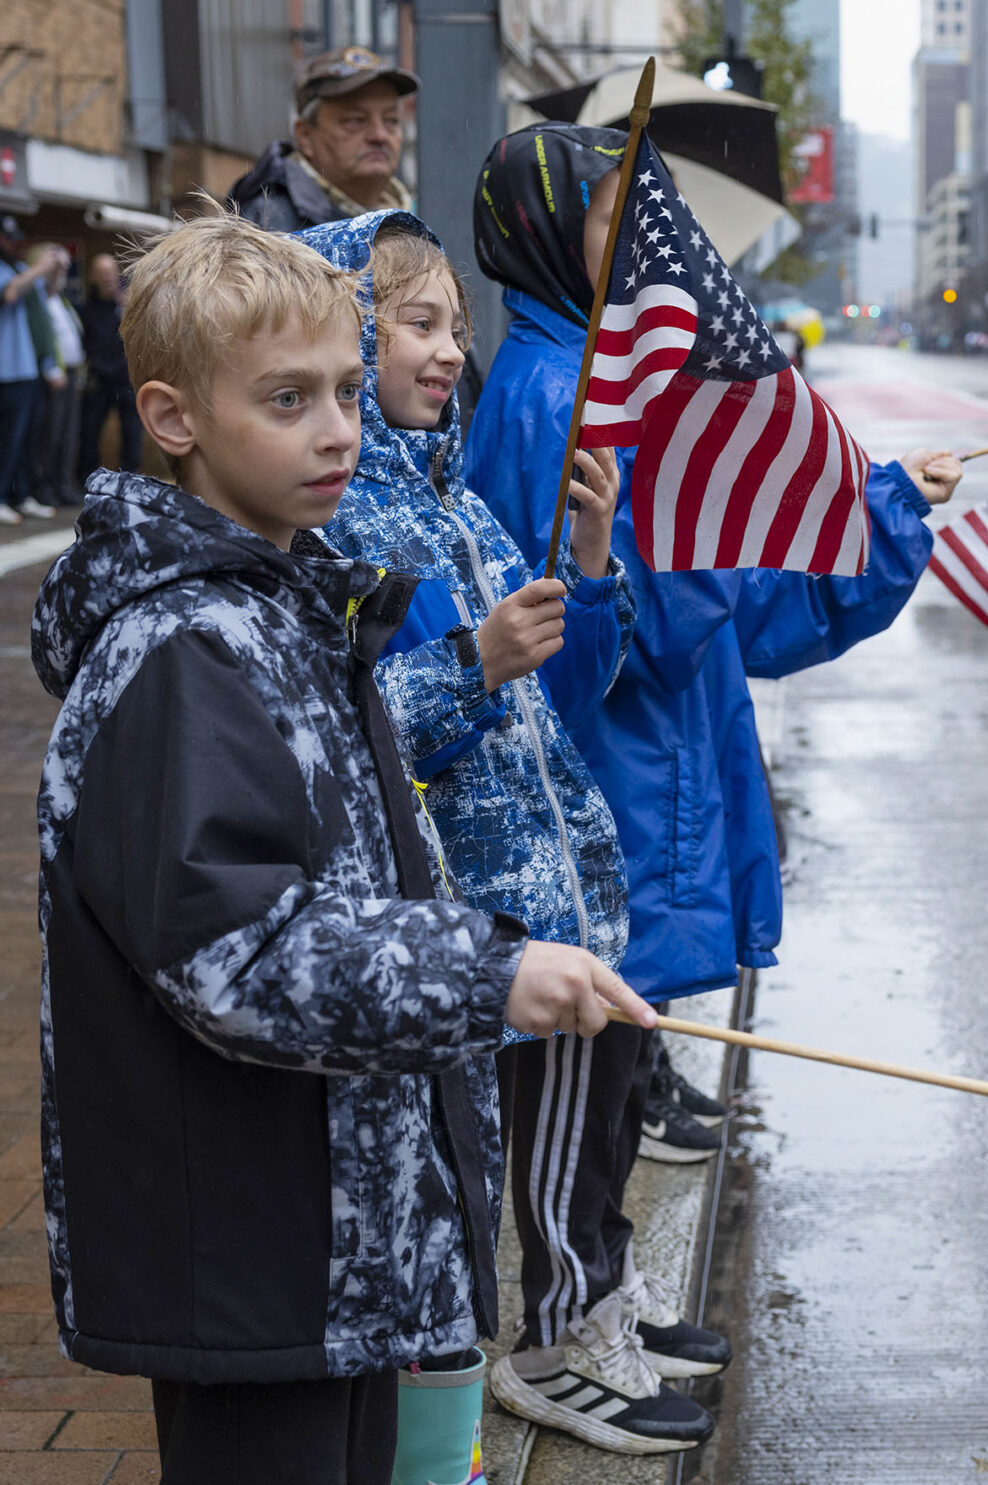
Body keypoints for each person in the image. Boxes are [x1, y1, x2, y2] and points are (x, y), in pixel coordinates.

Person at [31, 208, 652, 1485]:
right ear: (173, 416)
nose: (333, 430)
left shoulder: (284, 610)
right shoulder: (185, 650)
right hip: (254, 1252)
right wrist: (485, 974)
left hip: (330, 1241)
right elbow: (233, 950)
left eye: (340, 393)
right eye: (285, 399)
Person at [464, 121, 961, 1454]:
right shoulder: (543, 397)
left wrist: (880, 522)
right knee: (578, 1067)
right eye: (614, 220)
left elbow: (736, 609)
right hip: (596, 799)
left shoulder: (611, 385)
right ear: (539, 229)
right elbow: (598, 639)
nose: (651, 249)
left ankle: (607, 1288)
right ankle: (562, 1331)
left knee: (618, 1071)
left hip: (654, 777)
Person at [300, 209, 725, 1455]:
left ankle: (600, 1299)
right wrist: (470, 664)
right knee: (536, 1135)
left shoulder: (462, 508)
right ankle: (554, 1339)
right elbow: (350, 732)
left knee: (593, 1122)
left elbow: (566, 686)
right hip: (492, 909)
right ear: (345, 335)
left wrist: (590, 571)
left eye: (453, 326)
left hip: (569, 889)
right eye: (416, 325)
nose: (448, 352)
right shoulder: (341, 525)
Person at [228, 46, 417, 232]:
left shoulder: (405, 217)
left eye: (391, 121)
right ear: (305, 136)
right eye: (355, 121)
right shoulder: (270, 225)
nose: (379, 135)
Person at [0, 217, 64, 524]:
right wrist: (39, 266)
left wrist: (57, 267)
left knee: (28, 438)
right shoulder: (8, 272)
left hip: (29, 369)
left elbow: (49, 291)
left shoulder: (21, 271)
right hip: (7, 371)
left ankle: (21, 495)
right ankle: (1, 496)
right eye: (7, 238)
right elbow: (10, 294)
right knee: (8, 439)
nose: (13, 243)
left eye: (16, 238)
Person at [76, 252, 141, 479]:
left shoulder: (128, 301)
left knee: (132, 433)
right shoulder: (88, 308)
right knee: (90, 432)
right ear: (93, 277)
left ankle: (130, 478)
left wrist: (126, 306)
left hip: (126, 379)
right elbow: (86, 343)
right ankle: (87, 478)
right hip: (100, 379)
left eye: (111, 273)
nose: (107, 278)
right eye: (102, 274)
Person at [34, 246, 87, 506]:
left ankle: (63, 484)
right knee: (51, 434)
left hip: (73, 374)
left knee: (69, 434)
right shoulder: (40, 300)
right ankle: (44, 487)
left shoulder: (61, 300)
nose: (59, 275)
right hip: (54, 377)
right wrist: (51, 369)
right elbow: (42, 340)